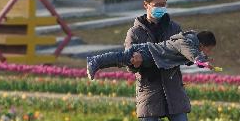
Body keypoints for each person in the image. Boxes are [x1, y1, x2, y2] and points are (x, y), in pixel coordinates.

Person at [86, 30, 218, 79]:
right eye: (208, 49)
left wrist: (204, 60)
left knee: (122, 61)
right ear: (202, 45)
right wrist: (204, 63)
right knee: (123, 58)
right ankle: (95, 60)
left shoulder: (190, 44)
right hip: (149, 53)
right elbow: (193, 56)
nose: (208, 52)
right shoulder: (186, 43)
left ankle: (97, 64)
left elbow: (189, 58)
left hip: (153, 57)